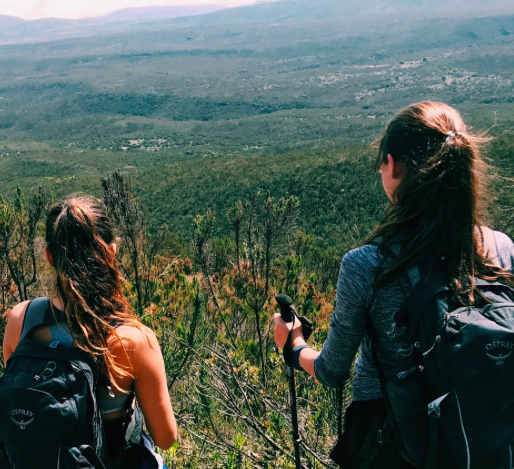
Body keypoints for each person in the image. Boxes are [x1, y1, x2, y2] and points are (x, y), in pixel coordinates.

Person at [274, 101, 514, 468]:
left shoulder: (368, 264)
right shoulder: (500, 249)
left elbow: (331, 371)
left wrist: (293, 345)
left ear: (392, 164)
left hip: (397, 443)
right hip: (489, 437)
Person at [2, 196, 177, 467]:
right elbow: (165, 438)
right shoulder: (134, 339)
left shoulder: (21, 320)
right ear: (111, 253)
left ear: (49, 256)